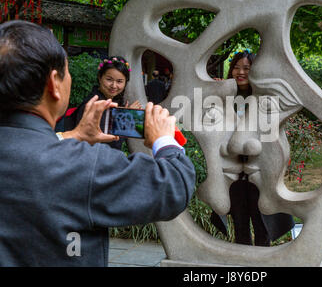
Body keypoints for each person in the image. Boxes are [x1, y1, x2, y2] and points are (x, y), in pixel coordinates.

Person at [0, 20, 196, 266]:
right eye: (67, 71)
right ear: (54, 83)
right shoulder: (82, 165)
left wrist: (73, 136)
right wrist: (164, 140)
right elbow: (174, 186)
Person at [211, 49, 295, 246]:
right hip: (233, 173)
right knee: (239, 225)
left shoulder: (264, 99)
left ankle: (261, 263)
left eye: (246, 68)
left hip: (259, 172)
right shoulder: (223, 99)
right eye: (236, 68)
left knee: (262, 224)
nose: (240, 72)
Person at [73, 56, 142, 150]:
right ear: (100, 77)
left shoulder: (115, 101)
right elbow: (112, 144)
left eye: (119, 81)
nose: (114, 86)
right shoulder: (93, 104)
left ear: (126, 82)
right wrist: (129, 115)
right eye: (109, 79)